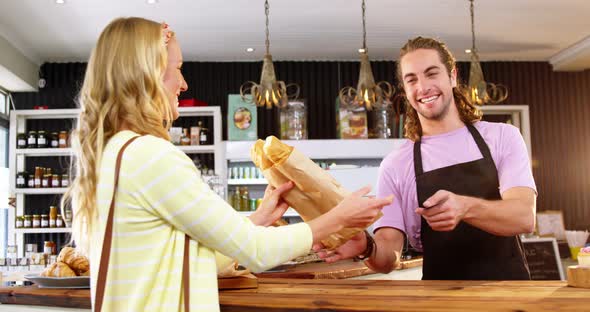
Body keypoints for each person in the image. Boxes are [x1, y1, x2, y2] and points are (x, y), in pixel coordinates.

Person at [63, 17, 392, 311]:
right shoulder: (151, 156)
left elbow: (186, 260)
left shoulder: (117, 153)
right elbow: (256, 252)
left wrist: (260, 218)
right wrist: (338, 218)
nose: (184, 83)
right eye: (177, 68)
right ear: (146, 72)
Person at [315, 36, 537, 281]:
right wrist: (366, 248)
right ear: (406, 90)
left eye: (432, 74)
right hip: (439, 299)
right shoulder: (396, 165)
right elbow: (388, 256)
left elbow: (524, 217)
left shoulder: (502, 137)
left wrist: (466, 207)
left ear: (452, 76)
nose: (423, 87)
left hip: (511, 294)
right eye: (412, 80)